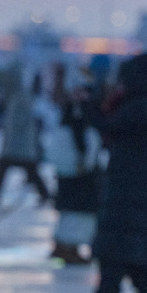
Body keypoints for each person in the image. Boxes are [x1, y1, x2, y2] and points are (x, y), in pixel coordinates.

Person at [83, 53, 147, 293]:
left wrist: (89, 106)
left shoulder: (137, 107)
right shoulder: (142, 104)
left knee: (117, 240)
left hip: (128, 181)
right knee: (134, 241)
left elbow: (109, 127)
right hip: (135, 179)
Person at [44, 74, 102, 265]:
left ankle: (67, 246)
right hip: (79, 178)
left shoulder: (73, 122)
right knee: (76, 215)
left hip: (73, 177)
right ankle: (67, 247)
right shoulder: (78, 123)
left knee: (73, 214)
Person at [0, 66, 51, 206]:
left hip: (19, 143)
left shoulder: (19, 97)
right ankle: (44, 194)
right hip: (19, 144)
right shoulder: (16, 96)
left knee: (10, 167)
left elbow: (20, 120)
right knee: (27, 169)